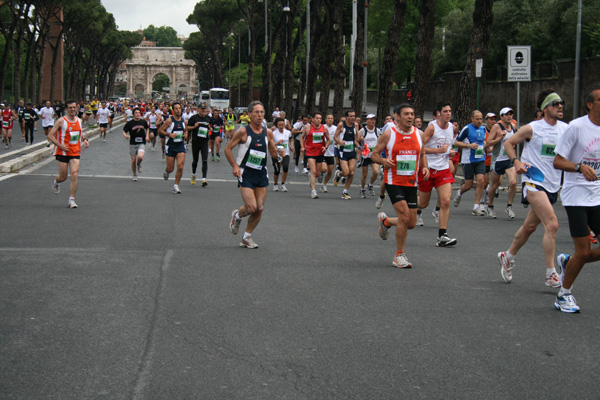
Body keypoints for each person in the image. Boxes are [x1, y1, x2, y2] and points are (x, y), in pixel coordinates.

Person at [497, 89, 567, 288]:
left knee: (529, 227)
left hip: (553, 185)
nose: (560, 106)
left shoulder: (565, 129)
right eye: (556, 104)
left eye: (562, 103)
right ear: (545, 108)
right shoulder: (532, 129)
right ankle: (550, 273)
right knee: (552, 224)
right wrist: (516, 162)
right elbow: (509, 143)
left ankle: (507, 256)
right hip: (534, 181)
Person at [552, 85, 600, 313]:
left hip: (597, 196)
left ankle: (568, 262)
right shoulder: (576, 127)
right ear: (590, 104)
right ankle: (563, 295)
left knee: (581, 255)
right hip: (576, 197)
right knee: (583, 251)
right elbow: (558, 161)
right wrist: (580, 167)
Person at [372, 104, 428, 268]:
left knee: (410, 223)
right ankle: (399, 256)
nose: (410, 117)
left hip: (411, 182)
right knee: (404, 216)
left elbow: (422, 153)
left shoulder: (420, 134)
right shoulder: (389, 134)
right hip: (393, 181)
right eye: (406, 114)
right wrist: (383, 161)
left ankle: (386, 221)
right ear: (397, 116)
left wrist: (425, 167)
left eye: (412, 114)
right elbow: (373, 154)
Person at [225, 101, 278, 248]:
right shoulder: (243, 131)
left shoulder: (268, 132)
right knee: (252, 207)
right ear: (249, 115)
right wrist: (235, 166)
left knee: (260, 208)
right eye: (256, 112)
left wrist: (279, 151)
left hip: (261, 173)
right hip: (245, 173)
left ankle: (247, 237)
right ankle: (237, 216)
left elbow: (273, 152)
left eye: (262, 112)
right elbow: (228, 149)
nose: (260, 115)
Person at [417, 102, 458, 247]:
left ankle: (442, 236)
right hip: (428, 169)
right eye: (445, 111)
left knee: (446, 200)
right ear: (439, 113)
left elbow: (448, 146)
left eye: (450, 111)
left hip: (443, 169)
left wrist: (450, 154)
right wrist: (437, 151)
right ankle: (406, 206)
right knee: (422, 203)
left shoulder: (452, 128)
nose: (448, 113)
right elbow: (420, 148)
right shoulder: (432, 128)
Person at [47, 100, 89, 208]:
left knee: (74, 174)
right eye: (70, 107)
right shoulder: (61, 121)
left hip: (75, 151)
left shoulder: (79, 120)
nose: (72, 109)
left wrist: (85, 139)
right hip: (62, 151)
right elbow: (50, 135)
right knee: (63, 177)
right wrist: (60, 145)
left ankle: (71, 200)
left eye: (74, 107)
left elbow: (79, 132)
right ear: (66, 109)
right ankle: (56, 181)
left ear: (77, 108)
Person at [485, 107, 517, 219]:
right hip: (497, 160)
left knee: (513, 183)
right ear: (502, 116)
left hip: (508, 160)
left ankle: (509, 206)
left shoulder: (513, 127)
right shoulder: (496, 127)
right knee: (494, 185)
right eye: (507, 114)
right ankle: (490, 206)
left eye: (511, 114)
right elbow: (488, 142)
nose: (509, 116)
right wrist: (499, 138)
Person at [453, 110, 487, 215]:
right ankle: (459, 193)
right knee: (468, 185)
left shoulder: (483, 129)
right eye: (477, 119)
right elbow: (456, 142)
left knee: (481, 181)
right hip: (468, 160)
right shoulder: (466, 129)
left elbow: (482, 141)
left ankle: (476, 206)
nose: (479, 121)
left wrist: (487, 146)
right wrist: (469, 146)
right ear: (472, 119)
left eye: (481, 119)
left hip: (480, 158)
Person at [159, 102, 187, 194]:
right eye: (176, 108)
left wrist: (186, 135)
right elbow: (160, 130)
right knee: (171, 168)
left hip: (180, 146)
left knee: (180, 167)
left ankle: (176, 186)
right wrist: (169, 134)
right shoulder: (169, 121)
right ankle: (167, 171)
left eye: (179, 108)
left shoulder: (184, 121)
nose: (178, 110)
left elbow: (186, 131)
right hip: (171, 146)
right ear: (173, 110)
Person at [301, 112, 330, 198]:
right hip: (310, 152)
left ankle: (312, 177)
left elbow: (328, 140)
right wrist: (302, 146)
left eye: (320, 118)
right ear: (313, 119)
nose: (318, 120)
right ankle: (313, 191)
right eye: (317, 118)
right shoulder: (307, 127)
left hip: (320, 152)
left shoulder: (324, 128)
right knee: (313, 171)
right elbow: (302, 137)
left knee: (318, 173)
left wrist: (326, 147)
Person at [334, 110, 360, 199]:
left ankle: (345, 192)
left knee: (351, 173)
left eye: (354, 116)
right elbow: (335, 137)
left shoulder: (355, 125)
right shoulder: (341, 125)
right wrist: (340, 142)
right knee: (346, 172)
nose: (353, 118)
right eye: (351, 116)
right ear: (347, 117)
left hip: (352, 151)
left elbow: (356, 139)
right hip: (343, 151)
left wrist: (360, 146)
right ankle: (338, 174)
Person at [187, 102, 211, 187]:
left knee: (204, 160)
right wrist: (194, 127)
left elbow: (209, 126)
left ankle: (204, 179)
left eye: (204, 109)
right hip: (195, 141)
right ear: (198, 109)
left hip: (204, 142)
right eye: (201, 109)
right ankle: (194, 174)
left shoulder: (208, 118)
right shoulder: (194, 118)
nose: (203, 110)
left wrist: (210, 128)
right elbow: (187, 128)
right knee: (195, 160)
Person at [122, 107, 149, 181]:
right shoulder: (130, 123)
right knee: (133, 160)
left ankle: (139, 164)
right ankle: (134, 174)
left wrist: (147, 136)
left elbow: (147, 128)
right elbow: (124, 131)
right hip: (133, 143)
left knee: (140, 157)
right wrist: (125, 136)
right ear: (133, 114)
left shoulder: (143, 122)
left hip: (141, 142)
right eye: (136, 113)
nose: (137, 114)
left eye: (139, 113)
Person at [358, 113, 381, 198]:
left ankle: (370, 185)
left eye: (374, 119)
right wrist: (360, 146)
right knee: (365, 174)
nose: (373, 121)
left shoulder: (377, 131)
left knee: (376, 171)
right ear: (367, 121)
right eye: (371, 119)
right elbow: (355, 140)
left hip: (374, 155)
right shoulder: (363, 130)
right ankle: (362, 189)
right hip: (365, 155)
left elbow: (381, 141)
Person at [271, 117, 293, 192]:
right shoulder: (273, 133)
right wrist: (277, 143)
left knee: (285, 167)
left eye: (282, 125)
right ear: (277, 125)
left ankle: (283, 183)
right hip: (276, 153)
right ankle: (275, 184)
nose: (281, 127)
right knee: (277, 170)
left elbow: (290, 139)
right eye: (279, 125)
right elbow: (270, 144)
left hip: (285, 153)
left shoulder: (288, 132)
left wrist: (291, 146)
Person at [321, 114, 338, 193]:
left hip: (331, 152)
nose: (330, 119)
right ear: (325, 120)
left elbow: (337, 138)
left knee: (330, 171)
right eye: (329, 118)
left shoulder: (335, 128)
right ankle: (320, 173)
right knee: (324, 169)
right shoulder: (322, 127)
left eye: (332, 118)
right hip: (322, 152)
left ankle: (324, 184)